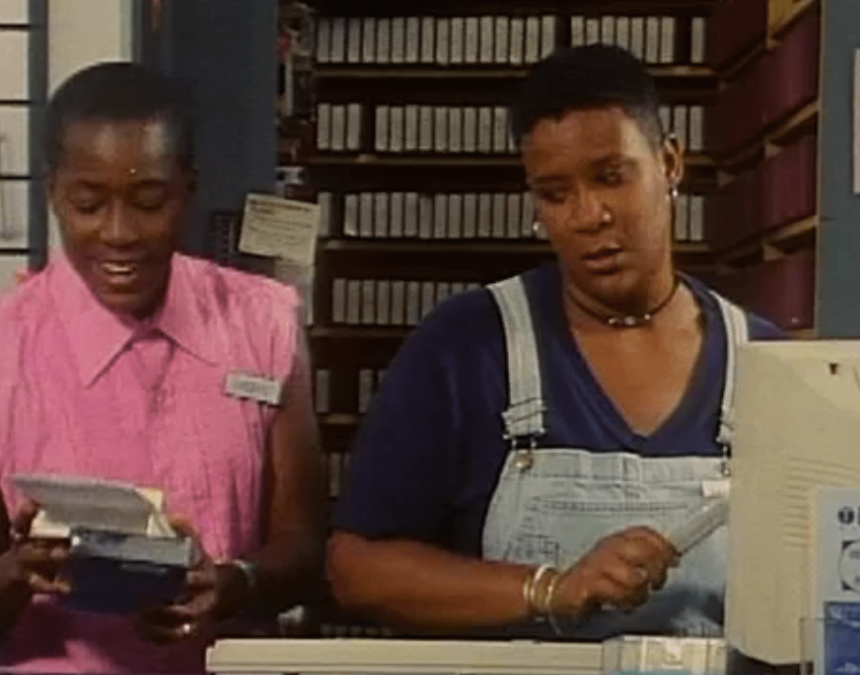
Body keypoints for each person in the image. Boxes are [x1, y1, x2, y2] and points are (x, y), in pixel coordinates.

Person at [326, 44, 786, 640]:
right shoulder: (466, 348)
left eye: (611, 177)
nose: (588, 215)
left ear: (670, 163)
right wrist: (550, 589)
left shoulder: (767, 366)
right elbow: (357, 571)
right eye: (554, 193)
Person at [0, 61, 325, 674]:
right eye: (88, 204)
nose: (119, 234)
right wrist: (20, 570)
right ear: (54, 192)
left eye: (149, 202)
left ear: (188, 189)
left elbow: (304, 550)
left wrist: (234, 583)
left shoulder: (264, 322)